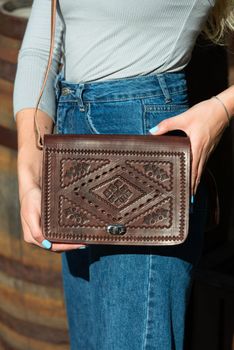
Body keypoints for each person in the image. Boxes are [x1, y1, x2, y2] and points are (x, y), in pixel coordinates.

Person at [13, 0, 234, 349]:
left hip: (145, 137)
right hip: (71, 146)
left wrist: (221, 110)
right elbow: (43, 44)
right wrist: (28, 173)